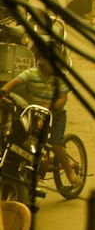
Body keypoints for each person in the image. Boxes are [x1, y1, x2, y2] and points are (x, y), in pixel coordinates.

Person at [2, 51, 80, 186]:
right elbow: (14, 82)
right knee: (25, 139)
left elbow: (63, 98)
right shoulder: (32, 73)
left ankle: (69, 172)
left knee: (56, 144)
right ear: (41, 61)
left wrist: (50, 106)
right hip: (36, 113)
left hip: (55, 115)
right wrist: (3, 93)